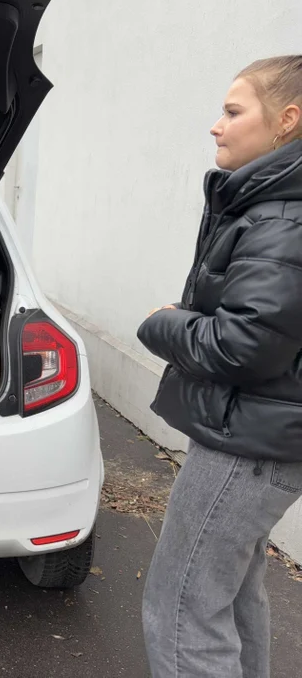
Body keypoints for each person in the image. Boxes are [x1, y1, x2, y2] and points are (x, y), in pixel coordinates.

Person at [138, 55, 302, 678]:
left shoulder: (283, 217)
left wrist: (163, 322)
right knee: (232, 597)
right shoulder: (274, 204)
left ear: (287, 120)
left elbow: (246, 347)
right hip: (263, 435)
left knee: (182, 608)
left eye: (233, 111)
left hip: (247, 445)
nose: (216, 125)